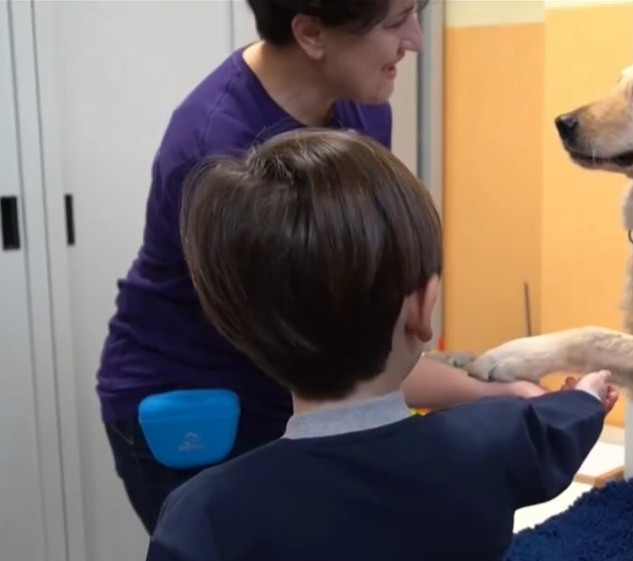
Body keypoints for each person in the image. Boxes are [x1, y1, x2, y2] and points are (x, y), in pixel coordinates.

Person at [98, 0, 546, 534]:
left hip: (290, 389)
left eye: (417, 13)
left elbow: (358, 317)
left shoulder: (361, 104)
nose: (415, 40)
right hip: (199, 409)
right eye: (395, 21)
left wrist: (489, 393)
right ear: (311, 33)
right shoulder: (216, 152)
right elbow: (345, 344)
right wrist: (483, 395)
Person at [145, 128, 619, 561]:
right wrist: (588, 396)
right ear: (423, 308)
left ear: (240, 327)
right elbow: (557, 424)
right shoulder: (491, 442)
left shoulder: (203, 515)